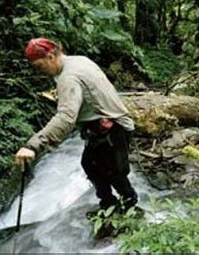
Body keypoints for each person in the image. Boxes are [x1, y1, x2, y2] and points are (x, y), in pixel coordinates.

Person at [14, 38, 138, 213]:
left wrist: (32, 145)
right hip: (112, 123)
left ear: (50, 57)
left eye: (39, 66)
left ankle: (128, 205)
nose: (40, 72)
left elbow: (66, 117)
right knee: (92, 165)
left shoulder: (68, 78)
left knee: (111, 171)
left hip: (112, 127)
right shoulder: (80, 60)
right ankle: (111, 205)